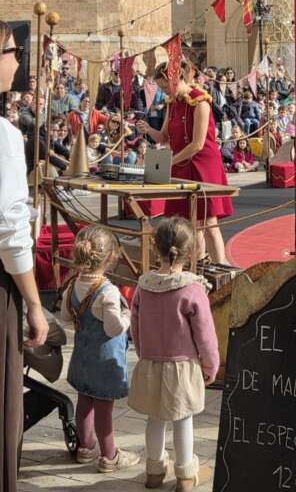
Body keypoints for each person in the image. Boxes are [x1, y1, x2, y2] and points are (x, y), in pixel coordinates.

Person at [129, 217, 219, 490]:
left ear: (155, 248)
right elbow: (205, 334)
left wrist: (145, 353)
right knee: (183, 419)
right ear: (190, 252)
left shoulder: (144, 286)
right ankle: (185, 475)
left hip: (151, 362)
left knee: (154, 419)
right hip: (182, 366)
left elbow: (135, 325)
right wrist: (211, 365)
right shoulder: (192, 289)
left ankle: (154, 472)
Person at [0, 21, 49, 491]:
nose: (17, 61)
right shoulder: (4, 137)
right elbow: (11, 233)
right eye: (13, 52)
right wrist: (34, 303)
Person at [136, 61, 233, 264]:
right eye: (161, 88)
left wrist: (168, 161)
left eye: (164, 86)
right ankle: (196, 269)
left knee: (208, 223)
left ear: (175, 79)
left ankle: (222, 270)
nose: (162, 91)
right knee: (189, 223)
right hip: (181, 164)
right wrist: (147, 130)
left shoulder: (200, 102)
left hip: (203, 165)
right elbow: (163, 137)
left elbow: (197, 144)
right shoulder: (172, 103)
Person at [60, 226, 138, 472]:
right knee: (104, 408)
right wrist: (127, 317)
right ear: (111, 258)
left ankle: (86, 448)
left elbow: (64, 316)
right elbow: (114, 329)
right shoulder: (109, 292)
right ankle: (110, 455)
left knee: (84, 401)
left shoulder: (72, 285)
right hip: (105, 361)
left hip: (82, 356)